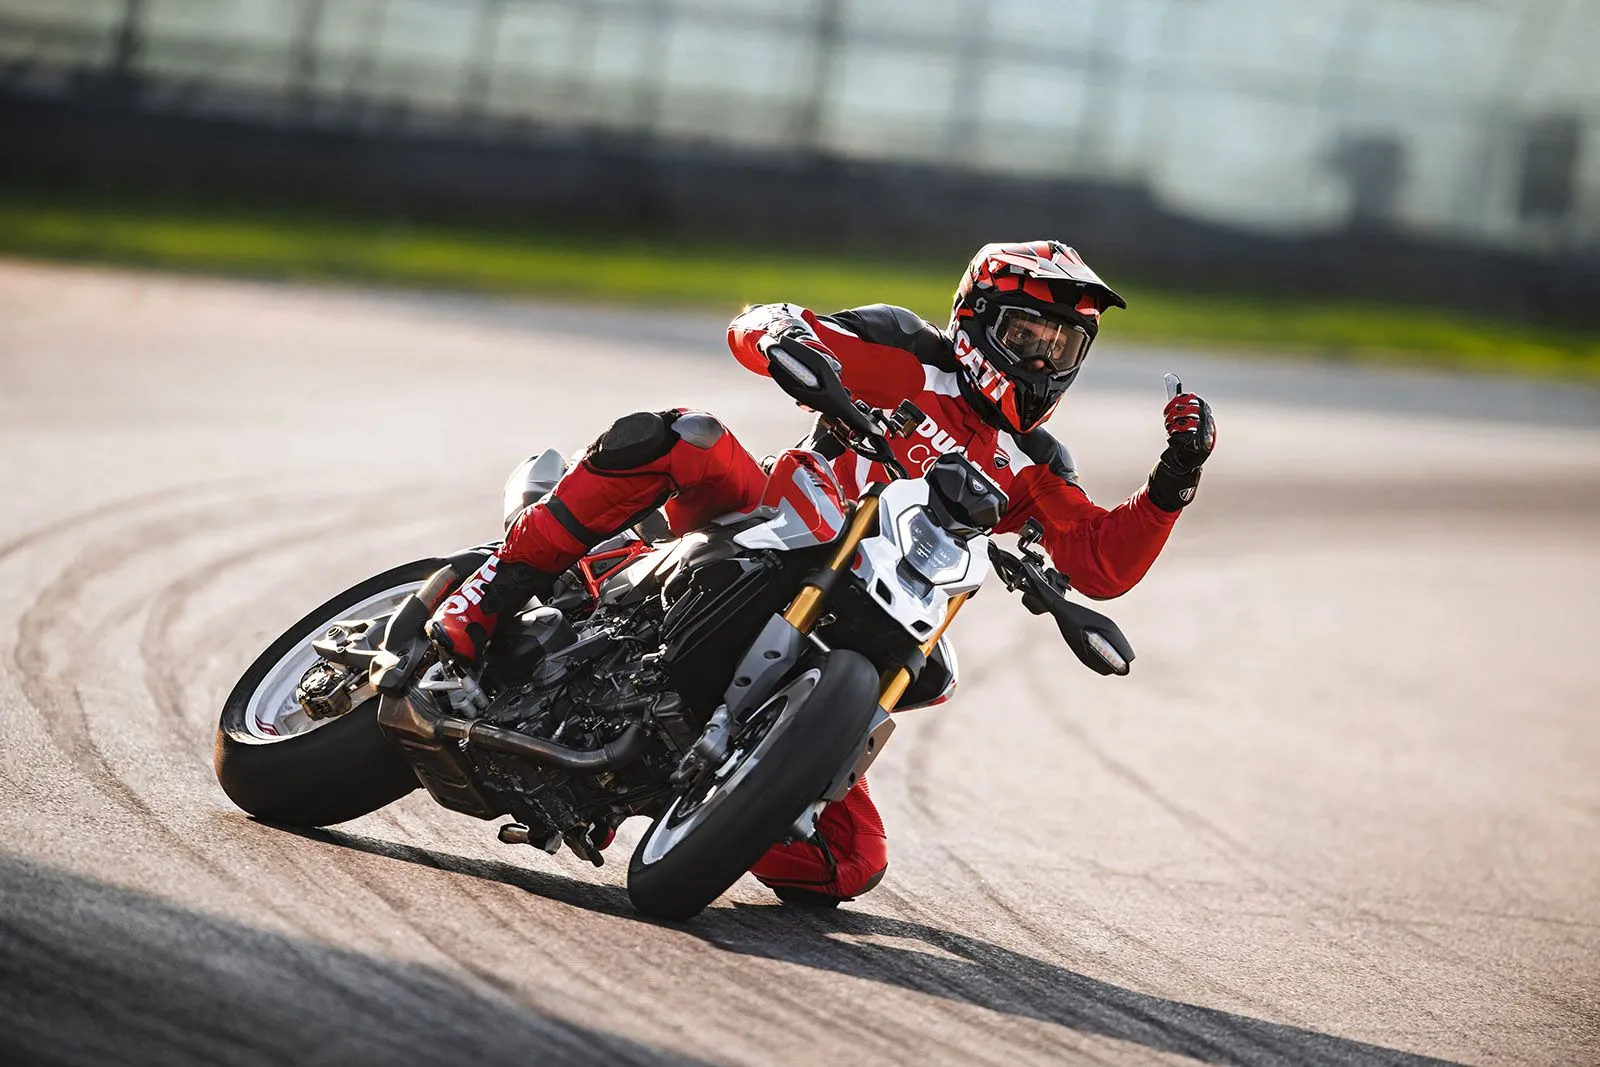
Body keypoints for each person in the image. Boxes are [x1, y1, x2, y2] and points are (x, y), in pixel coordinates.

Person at [428, 240, 1217, 906]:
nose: (1043, 359)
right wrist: (785, 342)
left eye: (1062, 346)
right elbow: (765, 322)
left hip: (875, 609)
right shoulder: (910, 354)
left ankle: (721, 785)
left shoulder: (1036, 465)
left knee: (851, 860)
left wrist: (1174, 478)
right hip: (763, 527)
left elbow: (1099, 562)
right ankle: (492, 594)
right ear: (978, 320)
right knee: (686, 435)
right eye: (1027, 334)